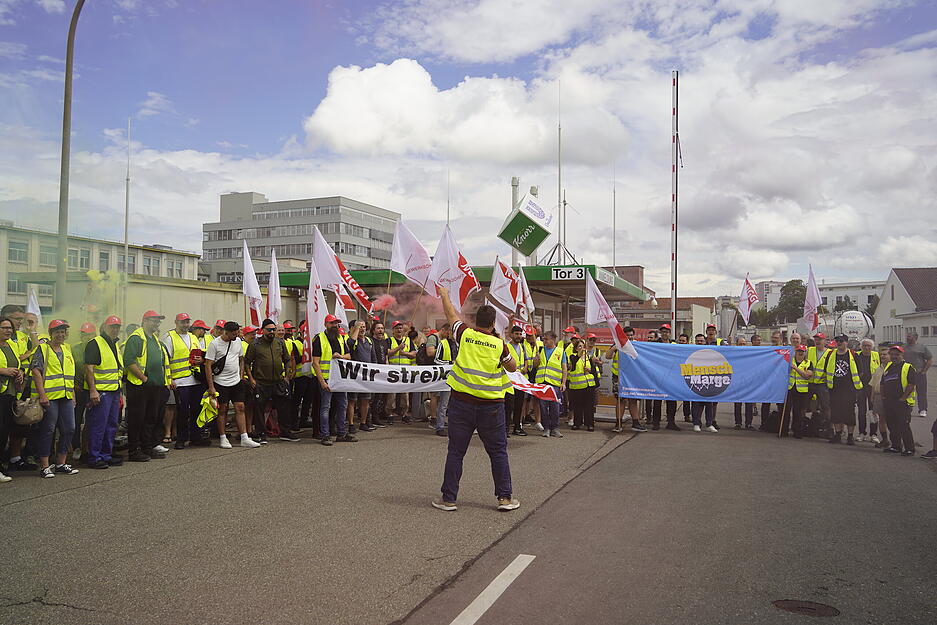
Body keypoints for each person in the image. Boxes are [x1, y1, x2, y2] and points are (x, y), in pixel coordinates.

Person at [432, 286, 519, 512]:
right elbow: (513, 366)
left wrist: (444, 295)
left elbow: (452, 316)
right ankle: (505, 499)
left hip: (461, 403)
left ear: (475, 320)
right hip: (491, 406)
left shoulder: (466, 334)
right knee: (498, 451)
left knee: (456, 452)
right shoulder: (499, 344)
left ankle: (449, 499)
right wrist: (503, 340)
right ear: (493, 325)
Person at [30, 320, 80, 478]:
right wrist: (42, 394)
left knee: (70, 429)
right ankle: (44, 466)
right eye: (57, 332)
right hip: (50, 398)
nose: (61, 335)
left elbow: (69, 374)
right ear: (51, 333)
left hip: (65, 396)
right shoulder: (42, 348)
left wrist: (72, 394)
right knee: (48, 430)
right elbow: (36, 372)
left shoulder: (67, 349)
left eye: (63, 332)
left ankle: (61, 463)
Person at [123, 311, 171, 462]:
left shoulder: (154, 339)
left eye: (158, 322)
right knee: (137, 419)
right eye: (154, 321)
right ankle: (134, 450)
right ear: (145, 321)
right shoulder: (137, 338)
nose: (156, 324)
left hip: (155, 386)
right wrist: (143, 378)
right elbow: (129, 360)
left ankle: (147, 447)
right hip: (139, 386)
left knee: (151, 418)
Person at [204, 321, 261, 449]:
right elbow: (208, 365)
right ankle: (223, 438)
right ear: (226, 332)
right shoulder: (215, 344)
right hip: (220, 382)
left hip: (236, 382)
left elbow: (241, 359)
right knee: (222, 410)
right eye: (234, 334)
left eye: (237, 333)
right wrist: (211, 386)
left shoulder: (237, 342)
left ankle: (244, 437)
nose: (236, 336)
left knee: (240, 407)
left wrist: (240, 376)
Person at [81, 316, 124, 468]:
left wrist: (120, 392)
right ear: (104, 326)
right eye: (112, 326)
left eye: (117, 326)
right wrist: (93, 390)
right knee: (98, 425)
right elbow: (89, 368)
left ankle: (106, 455)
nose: (115, 329)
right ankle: (94, 457)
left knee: (111, 424)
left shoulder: (114, 343)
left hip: (114, 391)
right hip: (101, 392)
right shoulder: (95, 343)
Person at [246, 319, 294, 442]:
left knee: (284, 408)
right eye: (269, 330)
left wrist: (287, 376)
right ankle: (261, 434)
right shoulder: (255, 345)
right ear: (263, 330)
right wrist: (251, 379)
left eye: (274, 329)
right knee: (259, 409)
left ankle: (285, 433)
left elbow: (287, 359)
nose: (272, 332)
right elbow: (247, 363)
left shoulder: (279, 343)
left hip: (278, 382)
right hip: (261, 382)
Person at [312, 314, 357, 446]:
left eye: (336, 323)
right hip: (326, 379)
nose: (335, 326)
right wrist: (322, 382)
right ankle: (325, 435)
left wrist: (340, 356)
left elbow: (349, 356)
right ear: (326, 324)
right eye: (332, 323)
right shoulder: (319, 339)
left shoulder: (341, 338)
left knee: (342, 406)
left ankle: (341, 434)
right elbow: (315, 363)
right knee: (325, 407)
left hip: (340, 379)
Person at [163, 312, 205, 450]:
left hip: (195, 379)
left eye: (187, 322)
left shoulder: (193, 337)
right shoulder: (169, 337)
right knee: (183, 412)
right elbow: (165, 360)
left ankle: (195, 437)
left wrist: (201, 360)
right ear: (176, 322)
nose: (185, 325)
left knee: (196, 410)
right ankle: (181, 439)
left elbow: (198, 355)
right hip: (180, 380)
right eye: (183, 322)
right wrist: (170, 378)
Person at [0, 316, 25, 482]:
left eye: (10, 328)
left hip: (10, 394)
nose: (8, 330)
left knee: (5, 432)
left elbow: (18, 364)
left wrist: (20, 372)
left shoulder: (12, 345)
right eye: (4, 328)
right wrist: (3, 371)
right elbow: (6, 368)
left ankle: (2, 465)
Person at [826, 334, 862, 445]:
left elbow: (860, 370)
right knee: (836, 412)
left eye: (841, 341)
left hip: (849, 389)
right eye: (837, 341)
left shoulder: (853, 355)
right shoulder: (831, 355)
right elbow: (826, 369)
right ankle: (838, 434)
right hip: (835, 389)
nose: (839, 343)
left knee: (849, 413)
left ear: (846, 342)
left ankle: (850, 436)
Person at [881, 345, 916, 456]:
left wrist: (903, 398)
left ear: (902, 355)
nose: (894, 356)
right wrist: (883, 397)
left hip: (902, 402)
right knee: (892, 425)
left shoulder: (908, 367)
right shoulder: (888, 367)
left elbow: (911, 384)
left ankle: (909, 449)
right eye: (892, 354)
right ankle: (896, 446)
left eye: (897, 354)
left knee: (903, 425)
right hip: (889, 401)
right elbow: (883, 383)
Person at [346, 319, 377, 434]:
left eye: (363, 327)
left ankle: (363, 423)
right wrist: (356, 329)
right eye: (360, 327)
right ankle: (351, 424)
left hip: (366, 375)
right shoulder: (351, 340)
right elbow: (350, 343)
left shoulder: (369, 341)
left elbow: (373, 358)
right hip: (354, 375)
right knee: (352, 400)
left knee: (365, 400)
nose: (362, 329)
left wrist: (375, 372)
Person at [536, 331, 567, 438]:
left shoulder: (560, 351)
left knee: (555, 407)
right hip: (542, 383)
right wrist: (536, 360)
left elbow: (564, 369)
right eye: (543, 339)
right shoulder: (540, 350)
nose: (544, 341)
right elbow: (535, 365)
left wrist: (563, 383)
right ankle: (546, 428)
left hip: (554, 384)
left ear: (552, 340)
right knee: (543, 407)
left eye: (546, 339)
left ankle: (555, 428)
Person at [427, 323, 454, 437]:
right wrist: (450, 364)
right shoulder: (443, 343)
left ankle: (450, 425)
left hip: (453, 378)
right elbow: (437, 359)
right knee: (442, 403)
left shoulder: (457, 345)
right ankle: (440, 427)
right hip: (443, 377)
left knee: (450, 404)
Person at [780, 345, 813, 438]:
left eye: (802, 351)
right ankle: (784, 431)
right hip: (790, 389)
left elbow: (807, 376)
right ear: (795, 351)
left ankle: (797, 431)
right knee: (786, 411)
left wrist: (795, 368)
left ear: (805, 352)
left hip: (801, 391)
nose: (800, 352)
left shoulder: (809, 363)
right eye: (798, 351)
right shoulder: (789, 360)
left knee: (798, 412)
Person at [387, 320, 415, 423]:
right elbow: (387, 353)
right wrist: (398, 348)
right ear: (393, 330)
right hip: (392, 371)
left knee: (405, 394)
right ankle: (390, 414)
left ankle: (405, 413)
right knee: (392, 394)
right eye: (397, 328)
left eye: (400, 328)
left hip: (404, 372)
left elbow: (414, 354)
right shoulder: (389, 340)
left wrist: (405, 353)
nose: (399, 330)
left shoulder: (408, 340)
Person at [853, 338, 880, 442]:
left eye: (869, 346)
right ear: (861, 346)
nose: (866, 347)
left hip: (873, 387)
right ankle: (861, 433)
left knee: (873, 411)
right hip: (860, 387)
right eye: (864, 345)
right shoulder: (856, 356)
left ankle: (873, 434)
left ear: (872, 347)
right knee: (861, 411)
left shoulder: (876, 355)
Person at [567, 337, 596, 431]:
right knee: (577, 405)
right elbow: (573, 364)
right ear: (576, 348)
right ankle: (577, 423)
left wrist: (590, 370)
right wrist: (579, 354)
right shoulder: (573, 357)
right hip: (577, 385)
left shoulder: (588, 358)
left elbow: (594, 371)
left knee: (589, 406)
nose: (582, 348)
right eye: (579, 346)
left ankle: (589, 424)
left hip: (589, 385)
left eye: (583, 346)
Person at [691, 333, 718, 433]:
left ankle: (709, 424)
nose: (699, 342)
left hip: (708, 380)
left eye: (701, 341)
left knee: (709, 403)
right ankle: (696, 423)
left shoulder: (710, 352)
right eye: (697, 341)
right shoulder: (691, 351)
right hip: (695, 380)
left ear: (705, 341)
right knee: (695, 403)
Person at [807, 332, 833, 429]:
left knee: (826, 407)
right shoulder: (809, 350)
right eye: (816, 339)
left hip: (822, 384)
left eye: (820, 339)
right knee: (804, 406)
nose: (817, 341)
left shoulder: (830, 353)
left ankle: (830, 428)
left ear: (825, 341)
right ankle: (801, 426)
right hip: (809, 382)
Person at [505, 325, 528, 437]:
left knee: (519, 405)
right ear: (512, 334)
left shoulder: (523, 347)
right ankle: (506, 428)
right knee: (508, 405)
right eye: (516, 334)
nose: (518, 336)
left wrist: (525, 368)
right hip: (510, 380)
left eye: (520, 334)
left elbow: (526, 360)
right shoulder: (507, 346)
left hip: (521, 380)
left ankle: (517, 427)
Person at [904, 332, 931, 417]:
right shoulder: (903, 347)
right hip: (907, 373)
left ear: (915, 337)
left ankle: (922, 409)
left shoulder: (922, 347)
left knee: (921, 392)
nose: (907, 338)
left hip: (919, 373)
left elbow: (929, 360)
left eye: (909, 336)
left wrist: (924, 371)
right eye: (907, 336)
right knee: (906, 391)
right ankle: (905, 408)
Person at [368, 321, 390, 428]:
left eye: (382, 328)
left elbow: (385, 356)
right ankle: (369, 419)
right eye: (378, 328)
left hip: (382, 372)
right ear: (373, 330)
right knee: (371, 397)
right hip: (372, 372)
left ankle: (376, 417)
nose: (380, 330)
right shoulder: (370, 341)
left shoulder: (384, 342)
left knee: (379, 397)